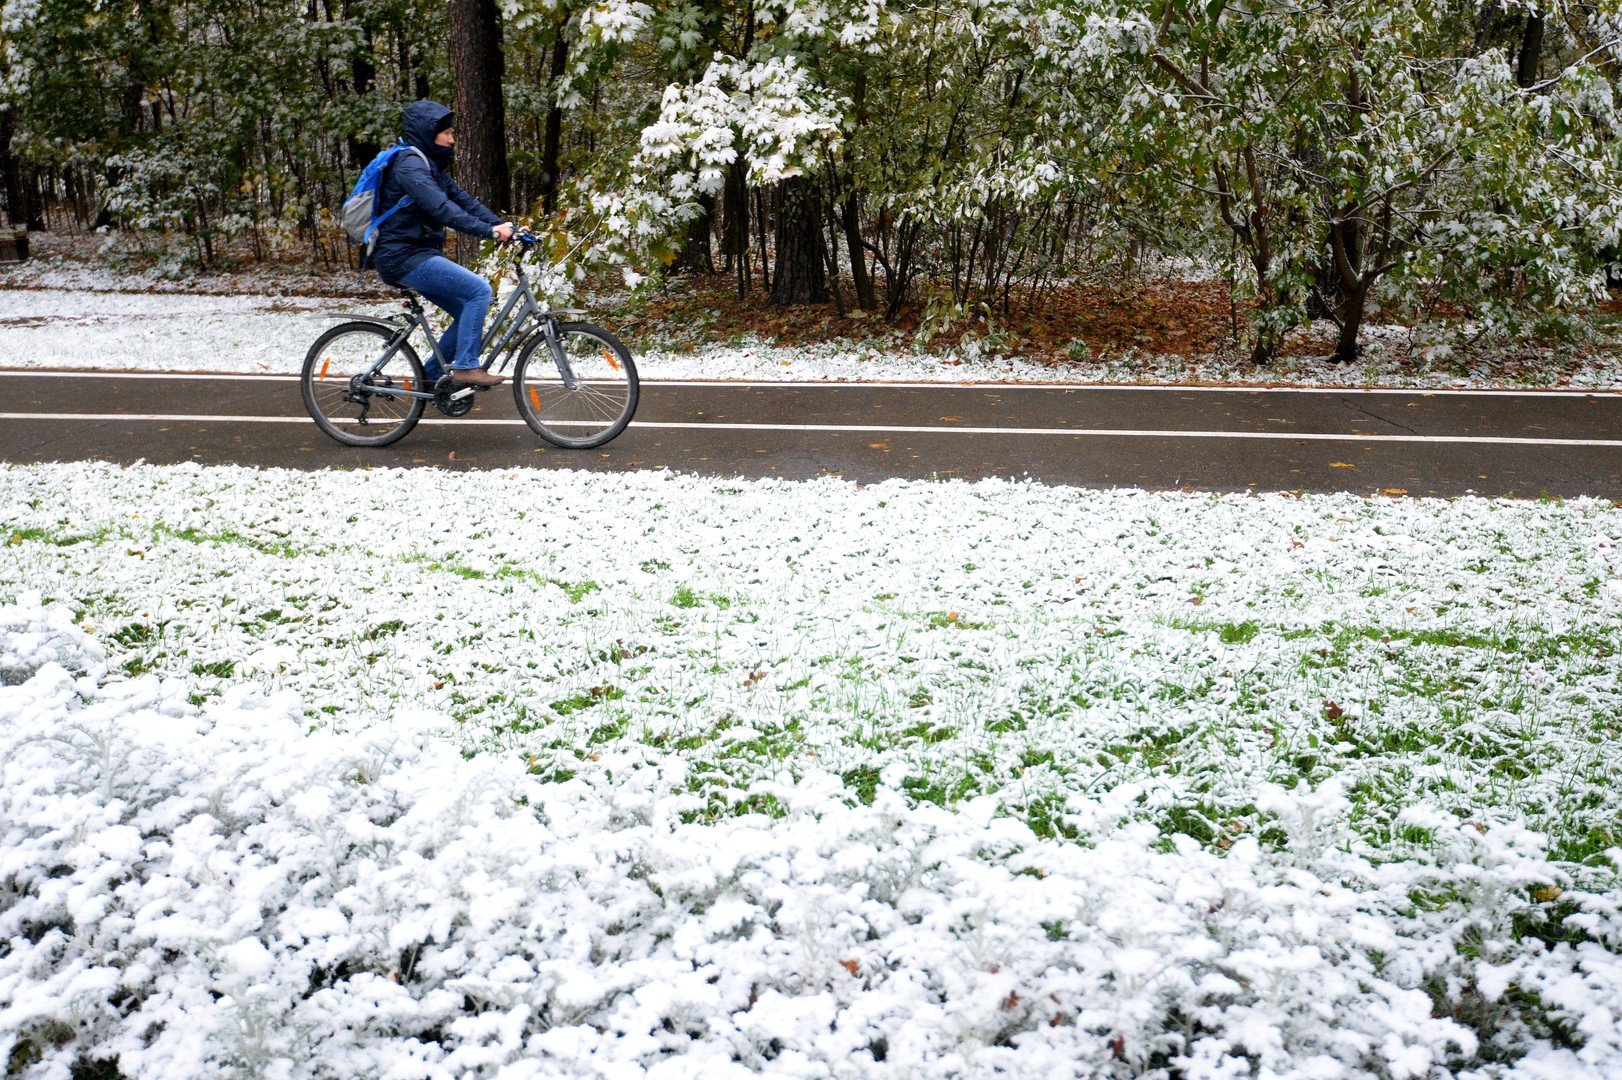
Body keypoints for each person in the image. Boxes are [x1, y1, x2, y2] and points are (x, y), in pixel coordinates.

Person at [372, 99, 515, 387]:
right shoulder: (409, 166)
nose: (452, 140)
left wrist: (503, 224)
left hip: (416, 253)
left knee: (467, 309)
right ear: (429, 132)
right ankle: (465, 366)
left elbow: (464, 201)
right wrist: (489, 232)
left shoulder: (430, 167)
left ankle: (429, 379)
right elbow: (442, 209)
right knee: (478, 290)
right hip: (401, 256)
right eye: (447, 133)